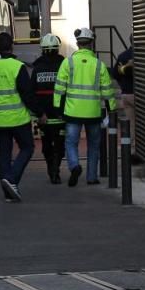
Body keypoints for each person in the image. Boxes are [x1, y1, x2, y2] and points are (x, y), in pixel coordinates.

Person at [54, 27, 117, 187]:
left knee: (71, 143)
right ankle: (91, 177)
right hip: (93, 113)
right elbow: (108, 91)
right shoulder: (99, 65)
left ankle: (75, 166)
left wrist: (58, 109)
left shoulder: (67, 63)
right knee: (94, 145)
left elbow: (59, 89)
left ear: (78, 44)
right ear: (91, 43)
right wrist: (111, 110)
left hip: (72, 112)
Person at [0, 32, 37, 202]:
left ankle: (8, 191)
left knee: (4, 152)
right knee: (27, 148)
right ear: (11, 46)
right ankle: (11, 179)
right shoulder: (17, 66)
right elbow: (27, 94)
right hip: (18, 118)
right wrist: (39, 112)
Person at [31, 34, 66, 184]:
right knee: (59, 144)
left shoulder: (37, 68)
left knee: (46, 144)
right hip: (60, 115)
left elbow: (32, 92)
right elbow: (68, 90)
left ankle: (51, 168)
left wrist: (39, 113)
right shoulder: (64, 65)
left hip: (43, 115)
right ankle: (55, 170)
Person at [113, 35, 137, 162]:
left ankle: (132, 151)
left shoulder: (123, 55)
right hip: (139, 95)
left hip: (126, 94)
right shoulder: (142, 54)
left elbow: (115, 73)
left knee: (131, 124)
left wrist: (122, 84)